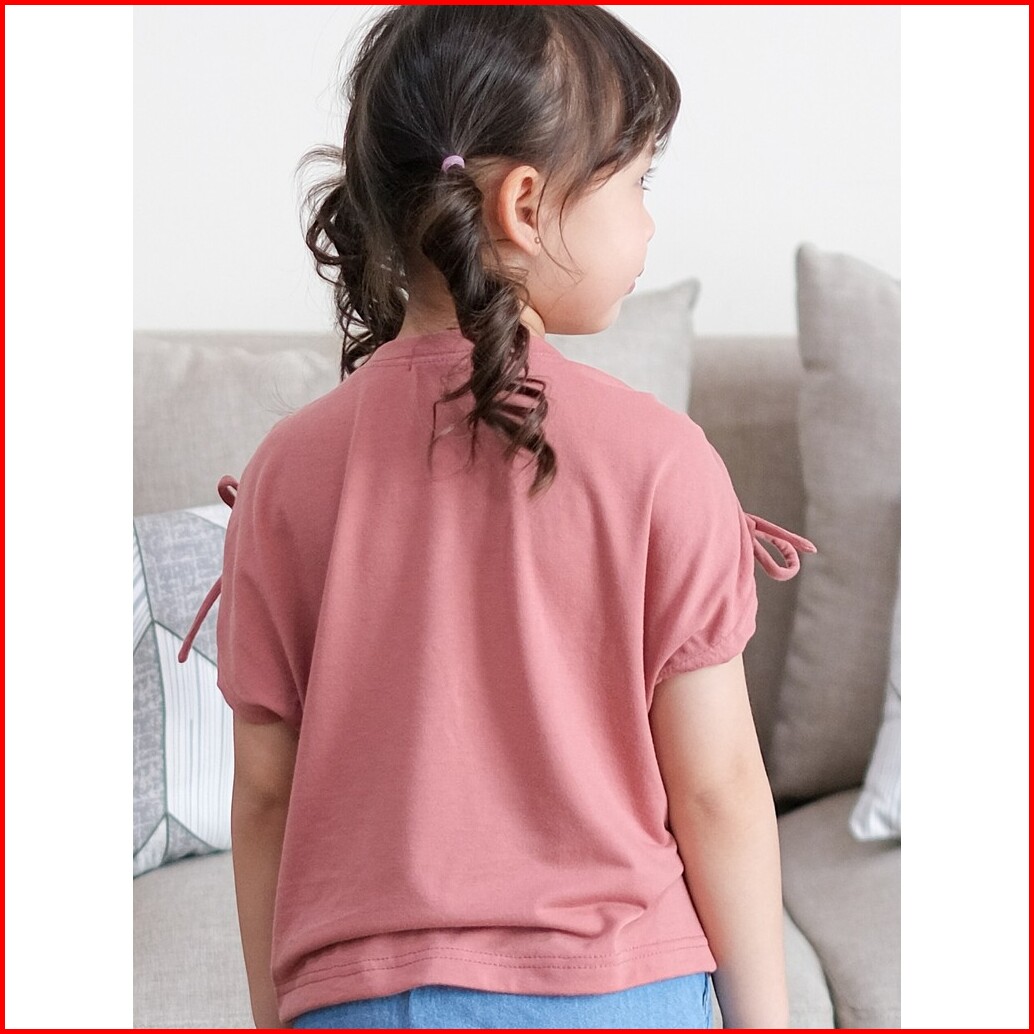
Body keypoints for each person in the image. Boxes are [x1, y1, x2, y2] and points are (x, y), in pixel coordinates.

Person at [180, 6, 815, 1029]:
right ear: (523, 203)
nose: (649, 222)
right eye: (637, 182)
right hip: (620, 997)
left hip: (357, 1004)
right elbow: (717, 791)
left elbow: (263, 796)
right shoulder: (661, 459)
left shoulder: (285, 472)